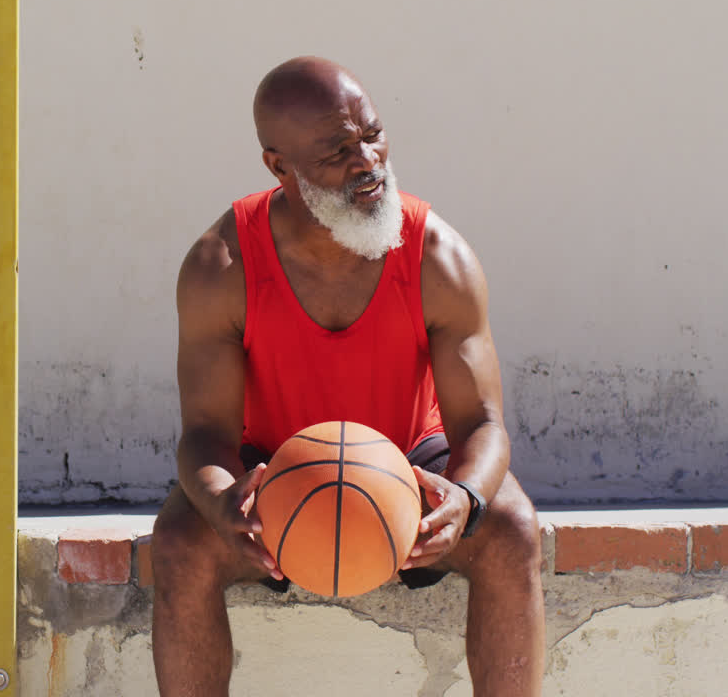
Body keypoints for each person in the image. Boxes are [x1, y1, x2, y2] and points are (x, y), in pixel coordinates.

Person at [151, 56, 544, 697]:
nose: (368, 160)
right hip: (276, 469)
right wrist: (223, 504)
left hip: (411, 462)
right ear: (279, 167)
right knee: (178, 541)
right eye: (337, 150)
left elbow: (484, 425)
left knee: (511, 526)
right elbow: (203, 434)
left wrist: (466, 498)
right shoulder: (220, 267)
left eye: (373, 133)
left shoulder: (437, 255)